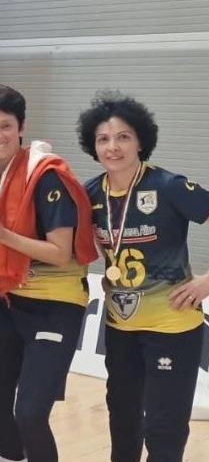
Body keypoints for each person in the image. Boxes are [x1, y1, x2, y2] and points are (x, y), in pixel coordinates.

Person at [0, 85, 98, 462]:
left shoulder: (45, 177)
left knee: (31, 414)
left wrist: (2, 234)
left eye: (6, 126)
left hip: (55, 305)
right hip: (7, 299)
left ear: (22, 127)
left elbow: (59, 252)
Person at [78, 91, 208, 462]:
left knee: (164, 427)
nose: (112, 146)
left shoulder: (168, 186)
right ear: (93, 144)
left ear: (140, 141)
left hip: (173, 326)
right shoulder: (90, 194)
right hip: (121, 325)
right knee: (122, 419)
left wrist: (206, 282)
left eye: (123, 137)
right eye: (103, 138)